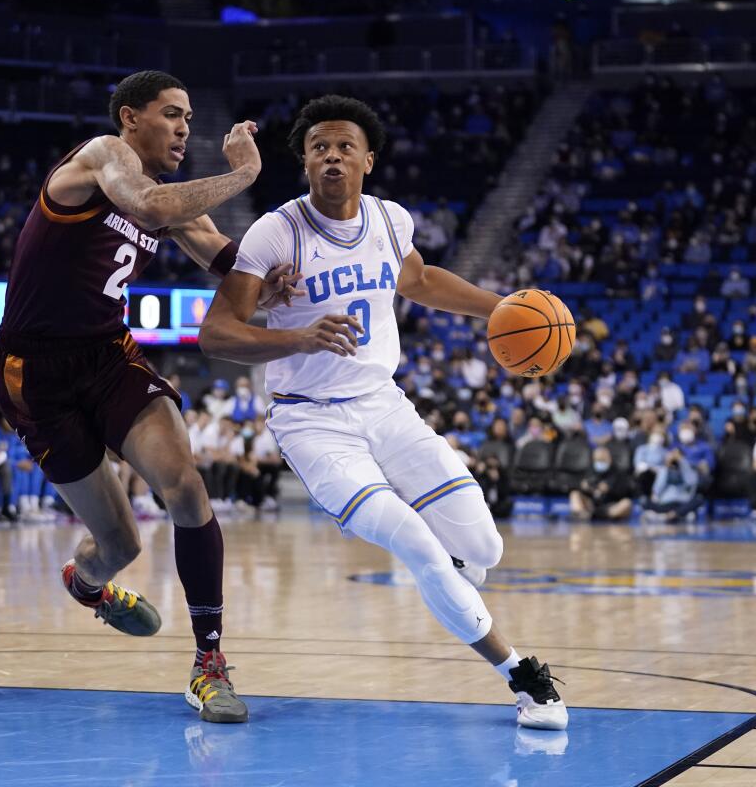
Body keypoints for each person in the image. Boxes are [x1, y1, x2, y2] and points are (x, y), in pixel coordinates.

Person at [198, 94, 567, 729]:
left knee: (484, 546)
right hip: (310, 419)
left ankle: (452, 581)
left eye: (344, 146)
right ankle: (523, 678)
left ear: (367, 159)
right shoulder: (275, 232)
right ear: (306, 163)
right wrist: (300, 336)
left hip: (383, 404)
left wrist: (502, 310)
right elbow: (217, 333)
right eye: (319, 147)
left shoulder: (391, 221)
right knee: (417, 543)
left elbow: (418, 282)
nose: (332, 156)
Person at [0, 70, 299, 723]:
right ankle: (88, 582)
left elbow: (222, 254)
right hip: (36, 376)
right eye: (172, 114)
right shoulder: (103, 156)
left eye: (190, 116)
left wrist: (272, 284)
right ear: (131, 118)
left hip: (108, 356)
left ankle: (207, 663)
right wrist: (246, 173)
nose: (186, 127)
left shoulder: (169, 196)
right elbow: (151, 210)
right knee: (121, 546)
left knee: (185, 485)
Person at [569, 446, 633, 521]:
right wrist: (584, 487)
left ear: (609, 458)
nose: (600, 462)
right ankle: (580, 514)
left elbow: (626, 492)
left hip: (610, 505)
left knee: (627, 503)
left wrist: (610, 489)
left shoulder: (618, 472)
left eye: (603, 460)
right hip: (591, 505)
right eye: (598, 460)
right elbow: (576, 485)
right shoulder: (589, 471)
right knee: (574, 494)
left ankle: (597, 516)